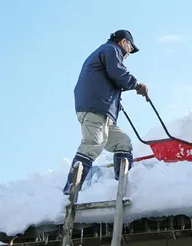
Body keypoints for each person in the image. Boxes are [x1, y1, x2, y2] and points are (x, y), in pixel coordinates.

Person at [62, 29, 148, 195]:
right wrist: (137, 84)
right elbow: (118, 72)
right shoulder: (111, 50)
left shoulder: (105, 52)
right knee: (92, 143)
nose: (129, 53)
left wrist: (116, 102)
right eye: (130, 47)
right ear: (124, 42)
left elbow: (108, 79)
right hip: (96, 108)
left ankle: (122, 186)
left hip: (102, 111)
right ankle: (69, 192)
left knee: (123, 142)